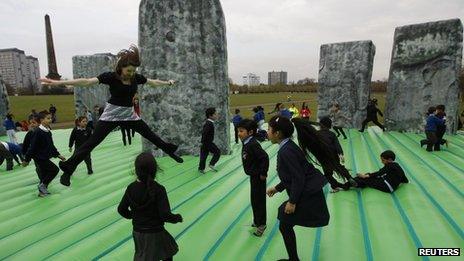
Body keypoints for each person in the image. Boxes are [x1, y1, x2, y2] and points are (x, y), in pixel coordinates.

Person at [40, 45, 183, 187]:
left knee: (150, 134)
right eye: (129, 71)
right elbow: (86, 82)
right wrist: (58, 82)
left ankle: (169, 151)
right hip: (111, 115)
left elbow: (153, 82)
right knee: (92, 142)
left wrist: (167, 83)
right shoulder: (110, 77)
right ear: (121, 67)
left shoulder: (135, 78)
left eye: (133, 71)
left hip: (128, 115)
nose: (131, 73)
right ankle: (68, 170)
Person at [266, 116, 329, 261]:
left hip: (308, 194)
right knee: (285, 224)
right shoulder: (288, 147)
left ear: (278, 133)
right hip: (307, 191)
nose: (267, 132)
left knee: (284, 220)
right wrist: (277, 188)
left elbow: (298, 177)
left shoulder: (286, 151)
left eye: (269, 129)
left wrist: (292, 202)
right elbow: (293, 175)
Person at [118, 152, 182, 261]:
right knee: (164, 253)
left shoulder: (131, 188)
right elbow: (164, 215)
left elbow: (121, 209)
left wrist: (134, 216)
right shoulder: (159, 189)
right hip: (155, 232)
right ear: (155, 170)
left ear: (136, 170)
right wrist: (176, 218)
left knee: (154, 252)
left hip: (138, 231)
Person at [23, 110, 66, 197]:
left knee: (44, 174)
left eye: (51, 118)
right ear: (42, 120)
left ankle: (42, 192)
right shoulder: (38, 132)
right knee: (54, 170)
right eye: (48, 118)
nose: (50, 120)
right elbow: (32, 147)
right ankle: (42, 186)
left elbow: (51, 145)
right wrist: (27, 159)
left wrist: (58, 155)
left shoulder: (48, 132)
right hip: (40, 158)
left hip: (45, 157)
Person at [237, 119, 269, 236]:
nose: (239, 133)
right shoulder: (247, 142)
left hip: (258, 177)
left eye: (241, 131)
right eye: (238, 131)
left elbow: (264, 157)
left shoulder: (253, 144)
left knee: (259, 200)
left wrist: (263, 173)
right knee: (254, 200)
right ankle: (257, 220)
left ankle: (261, 224)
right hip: (253, 176)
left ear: (250, 132)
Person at [317, 117, 357, 192]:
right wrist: (341, 154)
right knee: (339, 167)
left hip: (323, 157)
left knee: (328, 174)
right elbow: (337, 145)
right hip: (333, 155)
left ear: (321, 125)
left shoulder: (317, 134)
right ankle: (349, 177)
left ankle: (335, 187)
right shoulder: (332, 134)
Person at [198, 107, 221, 174]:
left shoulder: (209, 123)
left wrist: (203, 142)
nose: (216, 115)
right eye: (215, 114)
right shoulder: (209, 124)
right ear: (210, 115)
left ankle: (201, 169)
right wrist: (204, 142)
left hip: (205, 143)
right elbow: (204, 133)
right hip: (208, 143)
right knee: (217, 152)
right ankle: (211, 164)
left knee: (204, 156)